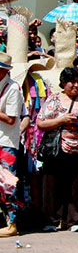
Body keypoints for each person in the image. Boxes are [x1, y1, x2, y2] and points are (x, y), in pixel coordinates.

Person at [37, 67, 78, 232]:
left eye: (77, 81)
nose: (75, 85)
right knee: (52, 185)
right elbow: (41, 123)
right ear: (63, 83)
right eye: (71, 82)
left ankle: (77, 221)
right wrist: (62, 120)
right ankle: (53, 219)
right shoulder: (54, 99)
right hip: (57, 150)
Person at [0, 52, 24, 238]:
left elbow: (10, 119)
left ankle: (12, 222)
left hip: (6, 144)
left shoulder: (13, 89)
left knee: (8, 183)